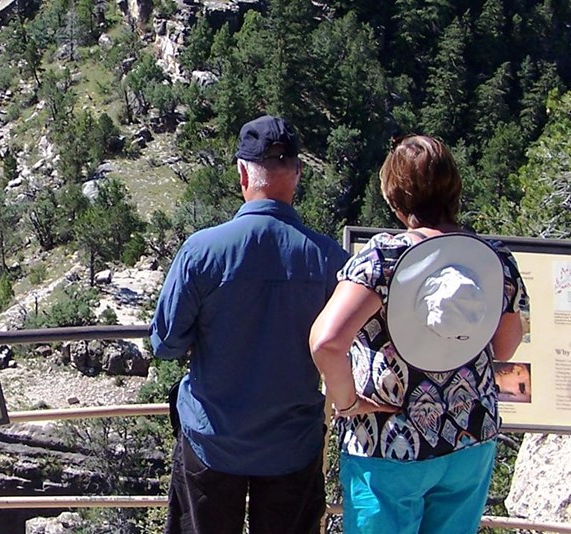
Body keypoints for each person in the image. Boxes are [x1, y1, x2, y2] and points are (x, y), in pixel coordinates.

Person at [309, 134, 530, 534]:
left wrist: (347, 403)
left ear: (396, 198)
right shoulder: (496, 259)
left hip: (389, 439)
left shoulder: (383, 260)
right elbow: (505, 345)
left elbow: (326, 342)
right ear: (454, 188)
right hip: (471, 435)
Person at [151, 115, 350, 534]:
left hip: (212, 439)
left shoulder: (202, 251)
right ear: (297, 174)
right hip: (292, 446)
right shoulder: (332, 260)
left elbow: (166, 343)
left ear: (242, 172)